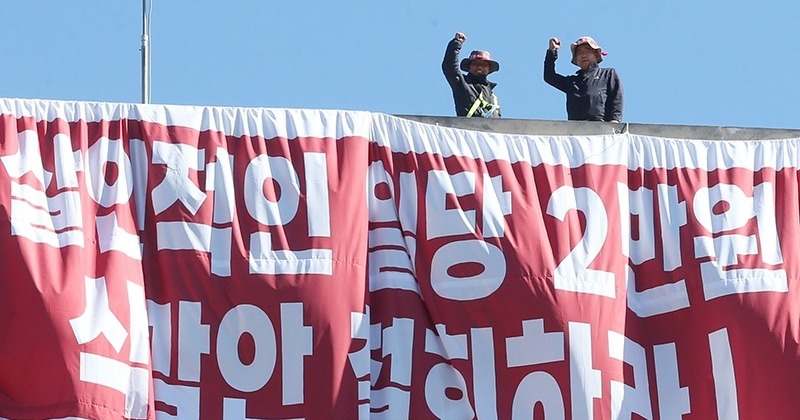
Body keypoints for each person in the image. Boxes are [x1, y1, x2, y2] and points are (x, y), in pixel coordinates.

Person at [544, 36, 623, 122]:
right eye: (579, 53)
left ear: (596, 55)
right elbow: (549, 76)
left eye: (587, 51)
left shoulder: (607, 74)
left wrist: (615, 121)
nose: (584, 55)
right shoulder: (572, 82)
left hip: (601, 128)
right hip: (575, 130)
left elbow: (616, 98)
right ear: (576, 60)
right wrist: (552, 51)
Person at [442, 32, 501, 118]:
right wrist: (456, 43)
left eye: (484, 65)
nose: (479, 67)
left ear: (489, 69)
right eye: (476, 64)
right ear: (469, 67)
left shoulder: (493, 97)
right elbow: (449, 67)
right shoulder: (461, 83)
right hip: (467, 129)